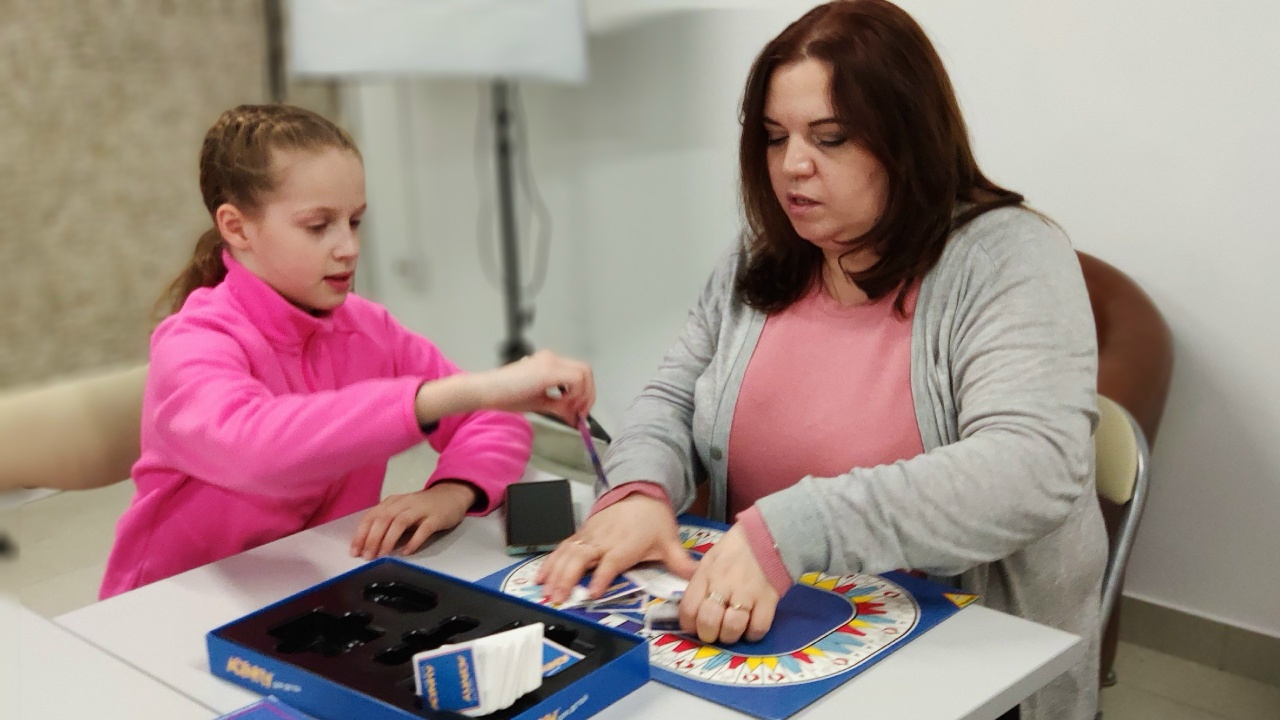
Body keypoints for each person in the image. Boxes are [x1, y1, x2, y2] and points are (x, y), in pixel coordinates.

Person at [535, 2, 1104, 719]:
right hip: (767, 635)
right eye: (776, 138)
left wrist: (792, 530)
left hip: (951, 661)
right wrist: (640, 491)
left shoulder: (1010, 257)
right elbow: (673, 396)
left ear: (908, 141)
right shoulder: (763, 256)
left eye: (829, 138)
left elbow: (1034, 467)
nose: (792, 166)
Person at [101, 104, 595, 599]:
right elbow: (255, 450)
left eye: (355, 221)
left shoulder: (368, 328)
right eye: (318, 226)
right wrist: (458, 393)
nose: (349, 247)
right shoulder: (193, 342)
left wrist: (454, 491)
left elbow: (492, 420)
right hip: (175, 602)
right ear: (237, 227)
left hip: (318, 585)